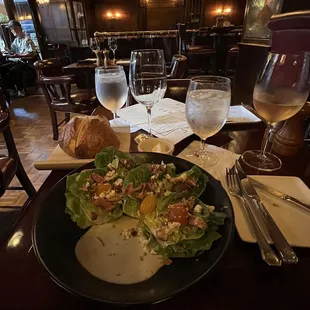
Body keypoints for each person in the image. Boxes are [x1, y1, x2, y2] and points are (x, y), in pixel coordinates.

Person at [0, 20, 36, 97]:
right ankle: (11, 89)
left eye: (13, 29)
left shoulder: (27, 40)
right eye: (11, 30)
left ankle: (21, 89)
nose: (12, 31)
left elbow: (31, 53)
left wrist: (18, 55)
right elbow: (13, 51)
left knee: (14, 70)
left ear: (18, 29)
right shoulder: (16, 40)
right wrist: (8, 51)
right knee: (2, 68)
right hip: (16, 60)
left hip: (25, 62)